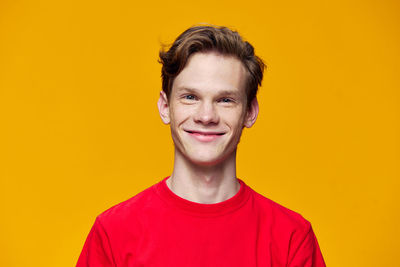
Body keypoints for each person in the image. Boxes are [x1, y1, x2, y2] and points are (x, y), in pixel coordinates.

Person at [77, 25, 326, 267]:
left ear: (249, 112)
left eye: (225, 100)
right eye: (190, 97)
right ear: (165, 107)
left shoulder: (292, 239)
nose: (206, 116)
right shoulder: (113, 234)